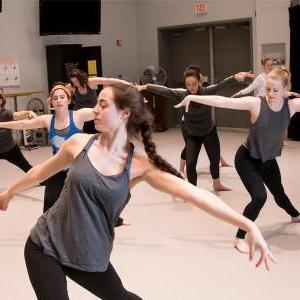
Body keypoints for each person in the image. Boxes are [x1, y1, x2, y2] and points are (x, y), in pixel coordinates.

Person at [0, 83, 275, 299]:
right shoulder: (78, 143)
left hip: (88, 253)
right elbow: (41, 171)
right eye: (96, 104)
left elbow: (195, 194)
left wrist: (247, 223)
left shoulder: (140, 166)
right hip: (44, 246)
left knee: (122, 298)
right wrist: (10, 191)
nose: (95, 109)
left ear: (124, 113)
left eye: (102, 105)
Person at [175, 67, 300, 254]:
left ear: (285, 91)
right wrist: (193, 97)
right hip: (246, 159)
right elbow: (221, 101)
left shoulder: (292, 106)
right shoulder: (256, 104)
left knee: (279, 194)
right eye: (267, 89)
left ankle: (295, 215)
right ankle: (239, 237)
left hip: (267, 160)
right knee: (259, 197)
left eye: (276, 90)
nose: (270, 94)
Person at [137, 65, 254, 191]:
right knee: (191, 164)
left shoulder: (207, 92)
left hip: (209, 132)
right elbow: (166, 90)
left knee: (214, 161)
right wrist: (146, 86)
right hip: (192, 135)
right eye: (188, 84)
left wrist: (235, 78)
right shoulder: (182, 95)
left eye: (194, 83)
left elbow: (221, 85)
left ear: (200, 81)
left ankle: (217, 184)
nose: (191, 87)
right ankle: (193, 191)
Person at [0, 85, 94, 212]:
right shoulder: (47, 120)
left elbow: (102, 111)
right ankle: (48, 228)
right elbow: (23, 124)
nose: (59, 100)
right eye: (55, 98)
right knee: (50, 202)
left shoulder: (79, 115)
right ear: (51, 102)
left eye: (62, 97)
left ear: (68, 100)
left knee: (87, 202)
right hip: (58, 167)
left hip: (78, 167)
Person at [0, 93, 37, 174]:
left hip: (10, 149)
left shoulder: (6, 113)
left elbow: (17, 114)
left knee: (27, 167)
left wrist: (29, 112)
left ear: (0, 101)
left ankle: (42, 179)